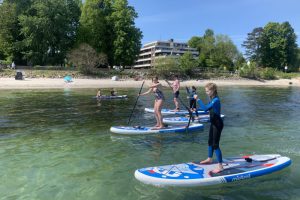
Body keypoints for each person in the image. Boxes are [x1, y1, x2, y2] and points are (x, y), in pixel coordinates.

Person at [194, 83, 224, 174]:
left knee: (215, 145)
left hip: (218, 124)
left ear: (212, 90)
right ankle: (209, 158)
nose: (206, 93)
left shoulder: (216, 100)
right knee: (210, 142)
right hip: (213, 123)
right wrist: (195, 110)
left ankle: (220, 166)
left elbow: (205, 108)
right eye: (206, 91)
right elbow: (208, 109)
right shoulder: (212, 99)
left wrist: (198, 99)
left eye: (207, 91)